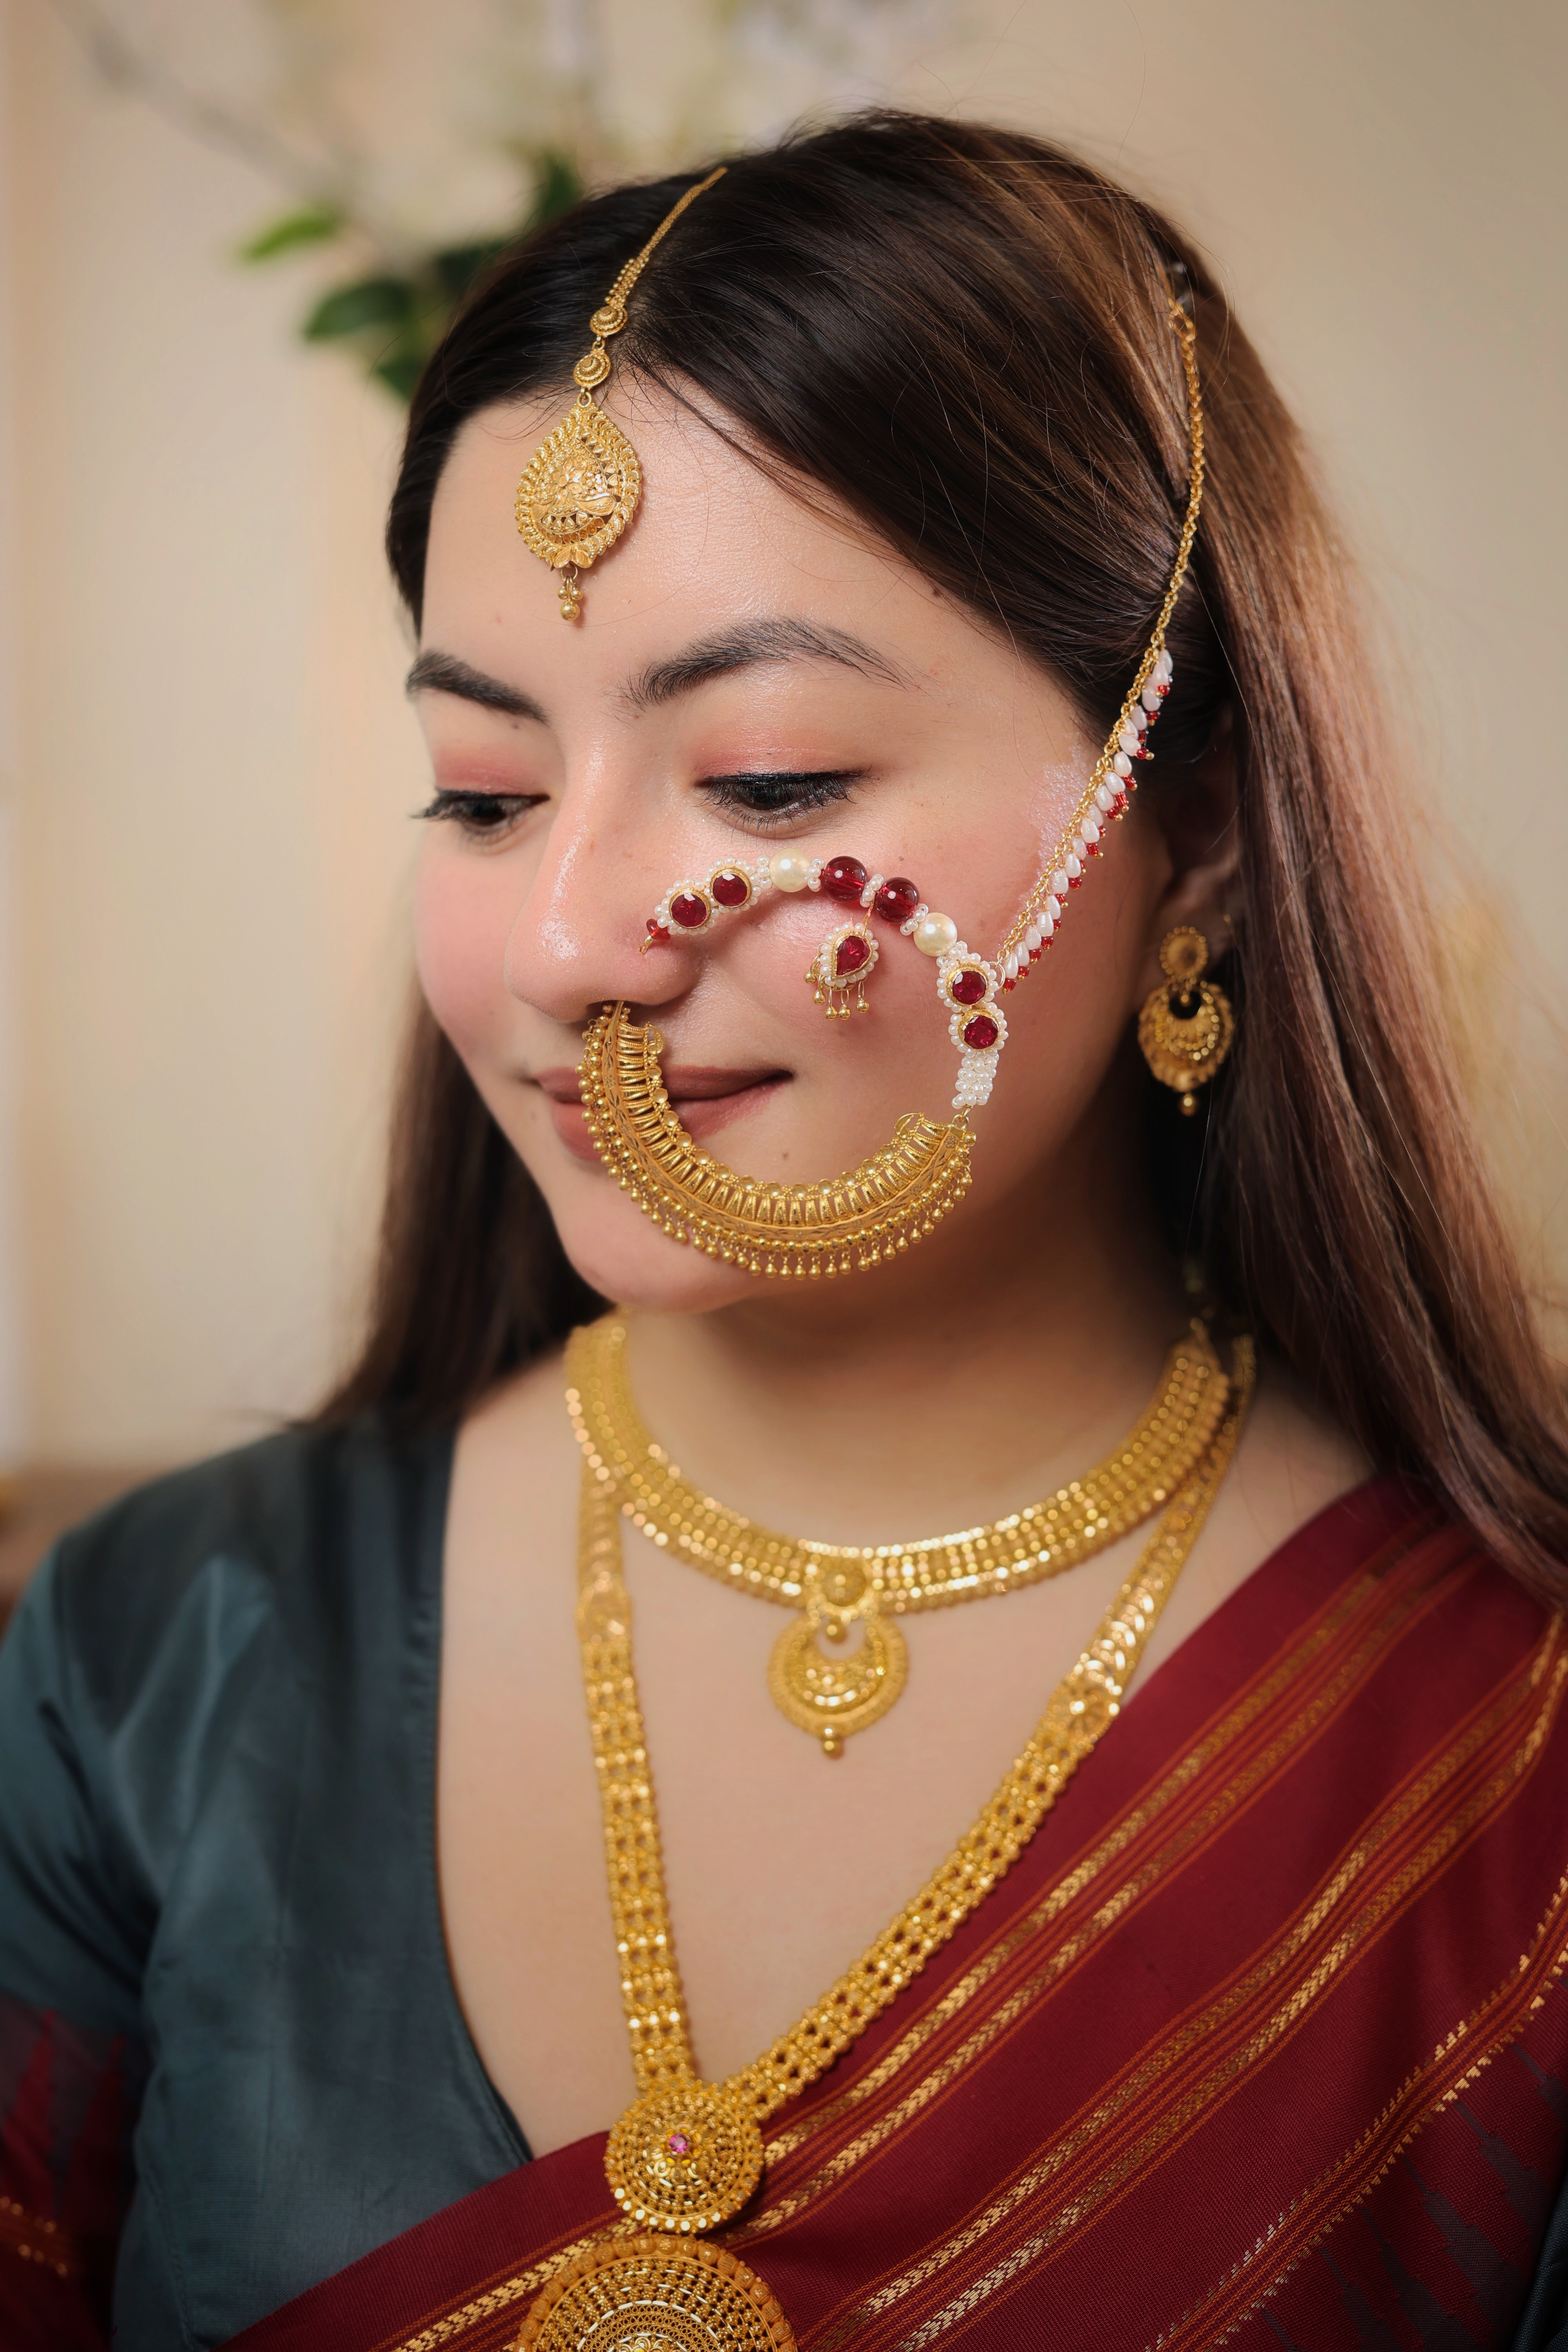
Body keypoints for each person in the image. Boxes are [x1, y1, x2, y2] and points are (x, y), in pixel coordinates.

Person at [2, 109, 1566, 2352]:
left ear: (1199, 830)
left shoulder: (1505, 1779)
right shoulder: (164, 1654)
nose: (563, 944)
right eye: (485, 793)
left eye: (769, 784)